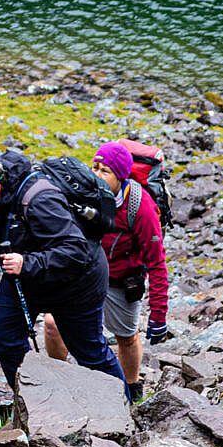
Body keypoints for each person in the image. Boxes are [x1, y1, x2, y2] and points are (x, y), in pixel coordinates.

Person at [0, 146, 128, 397]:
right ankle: (37, 398)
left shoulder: (40, 199)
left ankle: (123, 406)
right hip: (27, 276)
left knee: (88, 350)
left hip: (78, 282)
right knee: (2, 334)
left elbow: (75, 250)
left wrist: (27, 263)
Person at [44, 141, 169, 403]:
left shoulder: (140, 206)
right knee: (52, 324)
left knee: (125, 337)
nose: (97, 175)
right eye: (95, 167)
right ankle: (60, 378)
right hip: (84, 274)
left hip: (121, 280)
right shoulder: (82, 193)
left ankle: (132, 390)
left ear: (121, 176)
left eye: (105, 171)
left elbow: (157, 262)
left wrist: (158, 315)